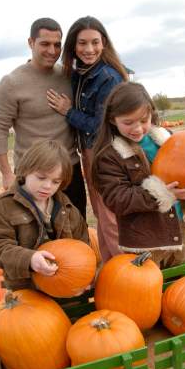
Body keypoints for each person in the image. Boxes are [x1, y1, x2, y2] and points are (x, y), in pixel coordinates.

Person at [91, 82, 185, 268]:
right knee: (148, 287)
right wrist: (165, 194)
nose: (137, 129)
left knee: (178, 281)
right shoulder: (110, 156)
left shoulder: (166, 139)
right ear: (113, 120)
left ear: (151, 114)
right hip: (144, 239)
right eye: (128, 122)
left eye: (143, 121)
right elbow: (117, 198)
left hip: (175, 227)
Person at [47, 16, 128, 262]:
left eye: (95, 42)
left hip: (104, 152)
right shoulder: (82, 73)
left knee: (109, 215)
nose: (89, 49)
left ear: (104, 42)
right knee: (102, 213)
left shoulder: (107, 77)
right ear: (73, 46)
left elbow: (99, 125)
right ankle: (111, 264)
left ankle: (127, 270)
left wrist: (68, 111)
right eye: (82, 43)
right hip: (90, 152)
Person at [0, 17, 86, 218]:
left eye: (57, 45)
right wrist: (7, 173)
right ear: (31, 43)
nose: (52, 51)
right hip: (33, 174)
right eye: (45, 44)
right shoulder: (12, 83)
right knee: (37, 237)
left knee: (77, 230)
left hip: (69, 170)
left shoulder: (68, 76)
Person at [0, 139, 89, 291]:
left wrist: (83, 274)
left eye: (55, 182)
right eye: (41, 178)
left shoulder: (65, 204)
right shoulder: (5, 206)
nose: (47, 186)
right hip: (26, 288)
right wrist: (29, 259)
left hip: (63, 284)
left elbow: (82, 241)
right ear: (26, 170)